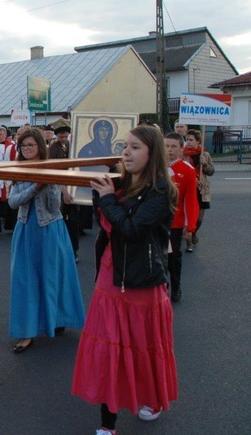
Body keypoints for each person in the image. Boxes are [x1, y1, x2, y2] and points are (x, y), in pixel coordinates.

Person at [72, 125, 178, 434]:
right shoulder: (121, 183)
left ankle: (151, 399)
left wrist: (106, 198)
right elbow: (107, 227)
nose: (126, 153)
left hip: (142, 280)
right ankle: (108, 423)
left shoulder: (161, 189)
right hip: (111, 275)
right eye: (125, 146)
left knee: (144, 347)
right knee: (109, 350)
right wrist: (104, 194)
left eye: (134, 148)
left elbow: (131, 229)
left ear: (152, 153)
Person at [7, 129, 85, 353]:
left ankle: (58, 317)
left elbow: (52, 206)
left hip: (50, 228)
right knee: (24, 280)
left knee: (54, 275)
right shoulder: (18, 169)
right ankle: (27, 332)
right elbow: (13, 202)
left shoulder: (51, 168)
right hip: (25, 228)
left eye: (30, 145)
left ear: (40, 146)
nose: (27, 149)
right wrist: (35, 187)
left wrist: (50, 184)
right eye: (23, 146)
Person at [163, 132, 198, 303]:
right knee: (156, 257)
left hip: (174, 223)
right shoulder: (154, 166)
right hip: (154, 221)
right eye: (166, 146)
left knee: (173, 257)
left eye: (173, 146)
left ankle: (176, 286)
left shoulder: (188, 170)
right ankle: (161, 288)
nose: (169, 150)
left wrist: (189, 226)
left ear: (181, 149)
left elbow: (190, 201)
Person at [48, 125, 79, 261]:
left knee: (73, 221)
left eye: (66, 136)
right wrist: (65, 191)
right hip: (59, 188)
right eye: (61, 136)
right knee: (59, 221)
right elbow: (56, 174)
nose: (64, 139)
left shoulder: (73, 146)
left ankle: (73, 250)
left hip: (73, 185)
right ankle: (59, 250)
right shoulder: (53, 150)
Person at [183, 129, 214, 251]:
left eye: (191, 140)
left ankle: (194, 232)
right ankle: (189, 242)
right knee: (188, 217)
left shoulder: (204, 154)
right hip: (188, 189)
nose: (188, 142)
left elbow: (211, 172)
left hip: (201, 189)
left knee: (199, 219)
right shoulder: (183, 154)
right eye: (187, 140)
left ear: (198, 142)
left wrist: (205, 164)